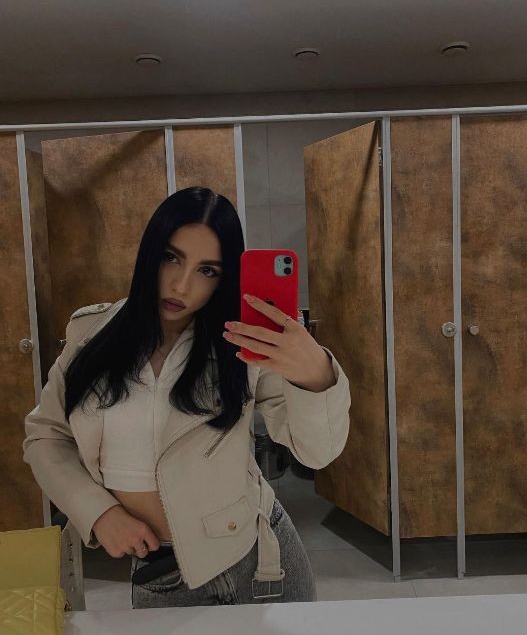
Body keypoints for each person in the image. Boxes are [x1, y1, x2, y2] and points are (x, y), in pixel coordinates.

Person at [22, 186, 351, 608]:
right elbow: (46, 437)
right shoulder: (91, 334)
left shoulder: (244, 345)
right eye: (171, 257)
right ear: (149, 252)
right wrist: (99, 512)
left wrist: (316, 377)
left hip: (261, 562)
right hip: (158, 570)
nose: (181, 284)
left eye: (207, 270)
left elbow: (317, 453)